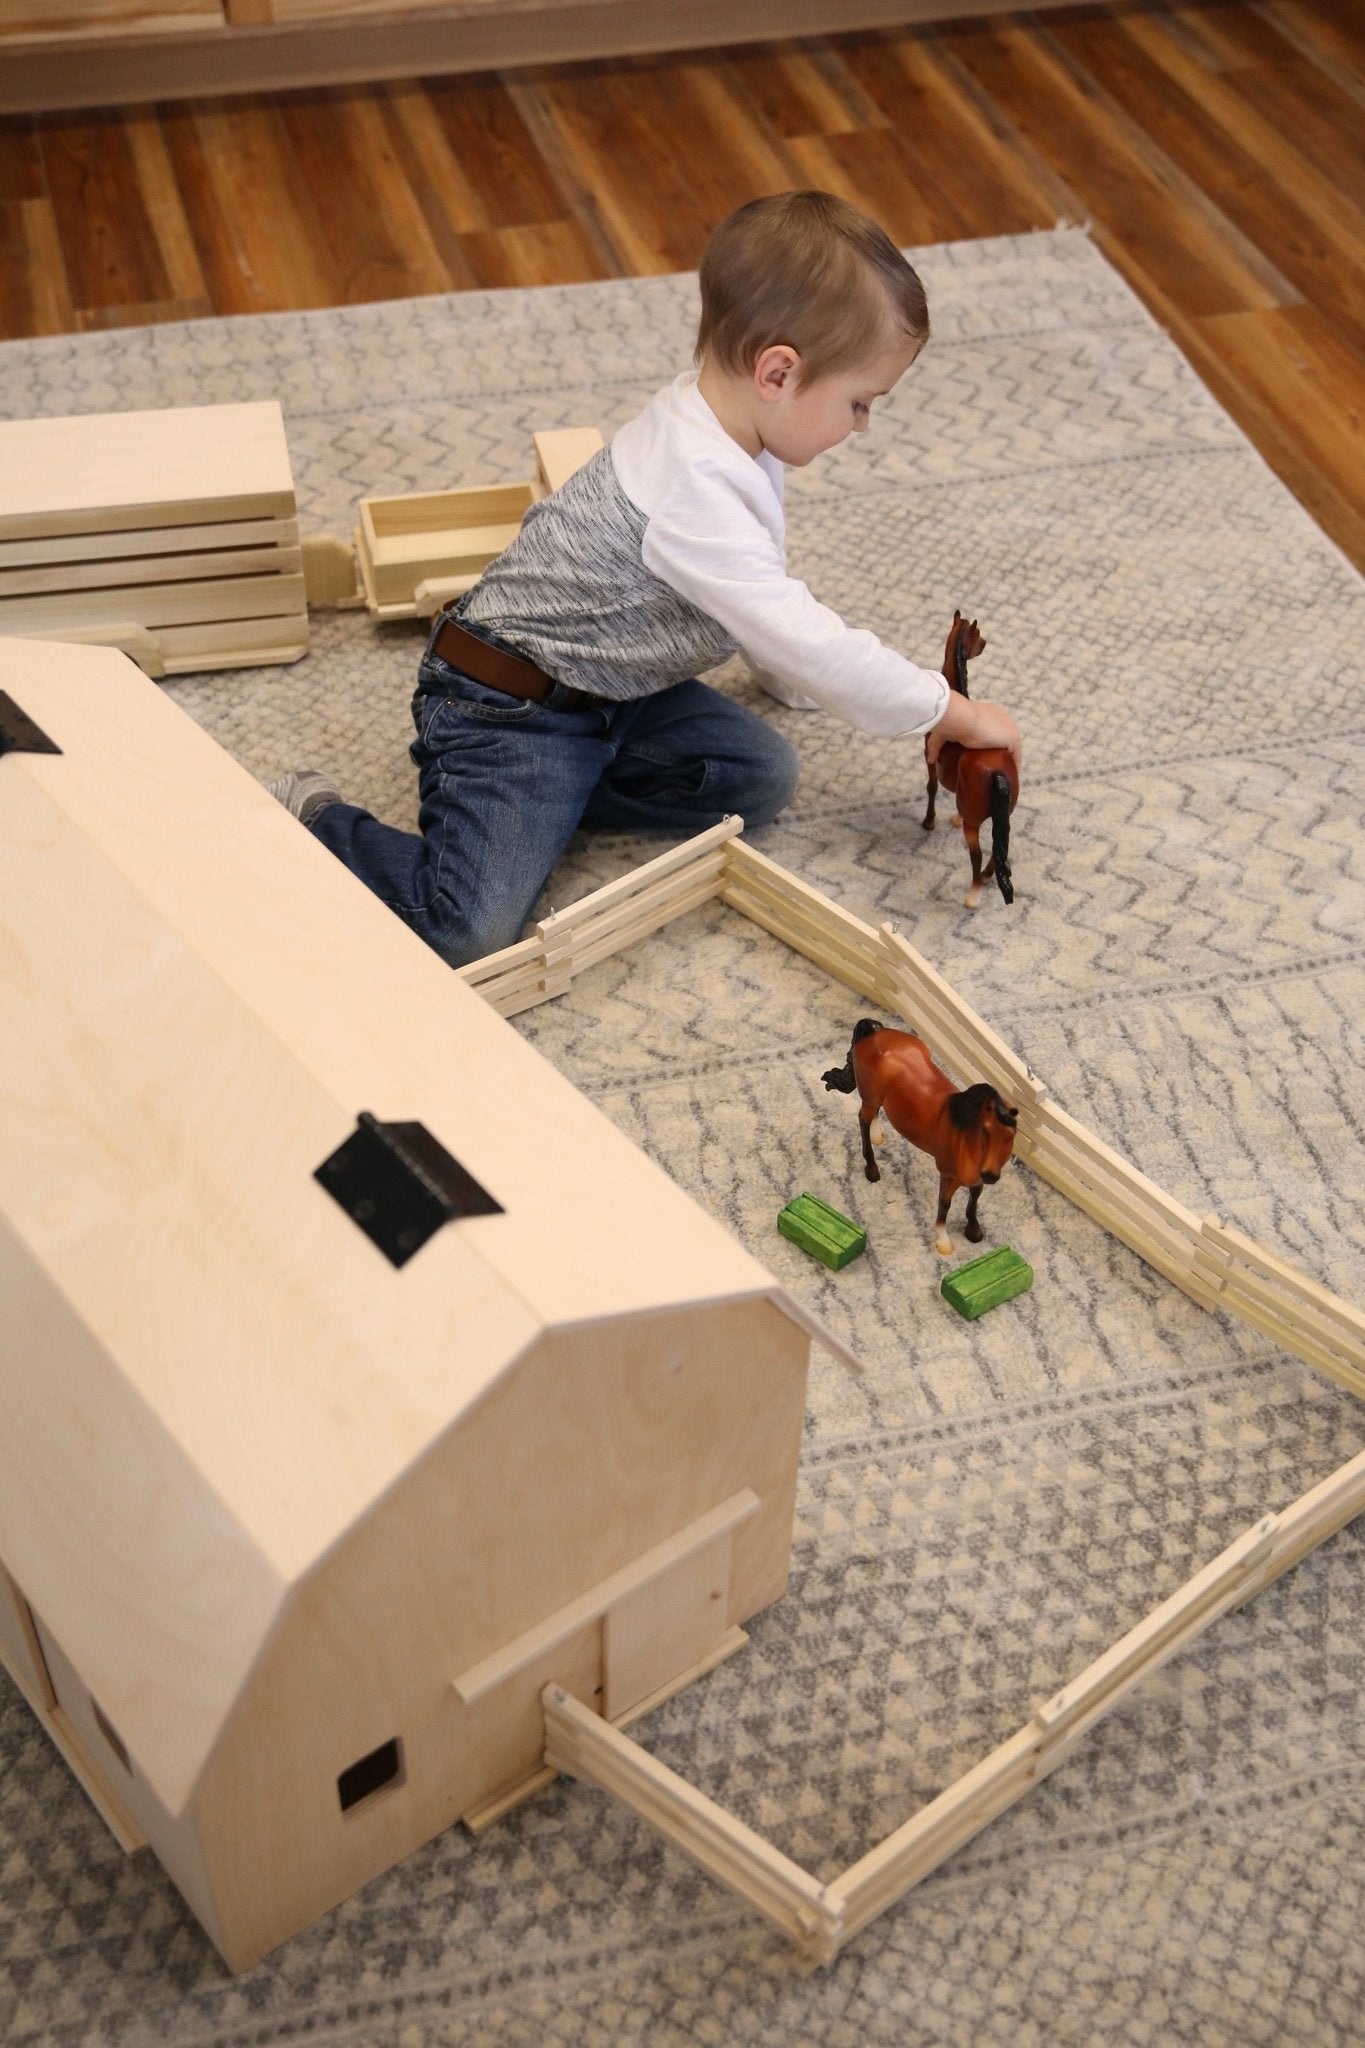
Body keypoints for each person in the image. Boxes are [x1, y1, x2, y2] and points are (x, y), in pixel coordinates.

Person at [270, 190, 1021, 967]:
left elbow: (756, 596)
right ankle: (321, 820)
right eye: (859, 402)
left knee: (760, 777)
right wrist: (948, 710)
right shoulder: (690, 487)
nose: (862, 424)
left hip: (616, 694)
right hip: (502, 705)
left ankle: (549, 802)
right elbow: (802, 637)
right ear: (776, 372)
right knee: (465, 932)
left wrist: (782, 677)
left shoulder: (735, 431)